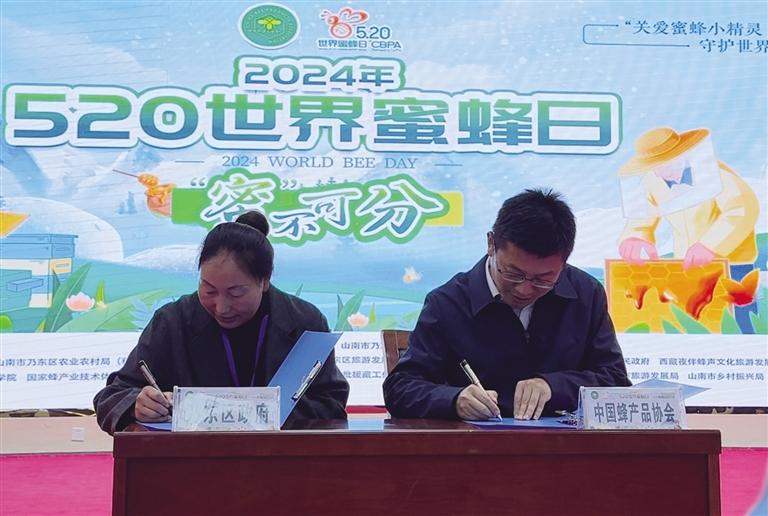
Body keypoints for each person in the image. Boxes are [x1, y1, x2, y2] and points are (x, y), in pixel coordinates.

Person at [383, 189, 630, 421]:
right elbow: (400, 388)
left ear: (564, 263)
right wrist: (454, 400)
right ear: (491, 244)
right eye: (513, 274)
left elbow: (616, 380)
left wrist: (553, 386)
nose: (524, 289)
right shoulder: (448, 303)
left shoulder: (585, 294)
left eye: (543, 280)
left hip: (566, 446)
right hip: (477, 447)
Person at [94, 211, 349, 434]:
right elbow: (112, 396)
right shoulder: (172, 321)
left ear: (264, 281)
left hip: (280, 461)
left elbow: (331, 403)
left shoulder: (304, 322)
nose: (221, 307)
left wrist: (257, 411)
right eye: (209, 290)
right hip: (193, 462)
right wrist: (137, 404)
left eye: (236, 293)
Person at [617, 127, 760, 333]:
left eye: (662, 161)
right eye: (652, 164)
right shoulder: (651, 182)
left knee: (740, 328)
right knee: (694, 328)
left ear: (680, 154)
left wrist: (710, 245)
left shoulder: (715, 173)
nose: (657, 170)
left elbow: (742, 209)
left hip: (733, 266)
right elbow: (641, 218)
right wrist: (635, 238)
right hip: (686, 268)